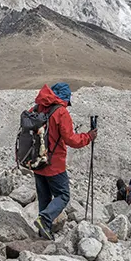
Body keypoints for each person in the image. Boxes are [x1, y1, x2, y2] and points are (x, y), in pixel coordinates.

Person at [30, 82, 96, 240]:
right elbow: (71, 139)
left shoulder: (36, 108)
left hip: (37, 161)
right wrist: (88, 137)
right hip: (54, 163)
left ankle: (44, 231)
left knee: (44, 197)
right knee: (63, 195)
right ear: (64, 98)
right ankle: (45, 219)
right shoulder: (61, 112)